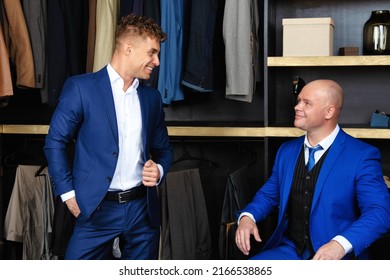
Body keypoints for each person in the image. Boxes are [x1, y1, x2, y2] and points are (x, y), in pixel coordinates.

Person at [44, 14, 173, 260]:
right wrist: (68, 194)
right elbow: (55, 142)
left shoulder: (152, 98)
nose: (156, 61)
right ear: (128, 48)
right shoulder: (81, 88)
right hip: (95, 208)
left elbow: (165, 150)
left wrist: (158, 169)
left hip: (141, 211)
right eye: (151, 53)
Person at [235, 79, 390, 260]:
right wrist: (248, 217)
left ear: (329, 111)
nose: (297, 107)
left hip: (339, 258)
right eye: (298, 101)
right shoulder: (286, 150)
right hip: (290, 251)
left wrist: (339, 245)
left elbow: (379, 212)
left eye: (306, 103)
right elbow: (269, 195)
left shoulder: (362, 155)